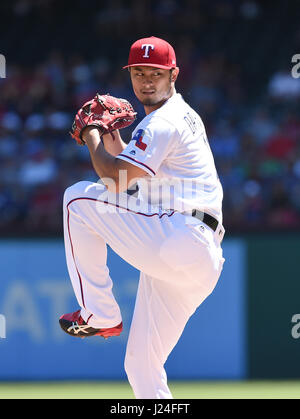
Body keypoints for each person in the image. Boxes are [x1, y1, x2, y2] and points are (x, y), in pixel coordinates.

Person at [59, 36, 225, 399]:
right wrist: (110, 137)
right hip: (195, 256)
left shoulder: (161, 123)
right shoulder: (180, 116)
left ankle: (99, 313)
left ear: (174, 74)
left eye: (156, 72)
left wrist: (91, 133)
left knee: (76, 200)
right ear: (131, 75)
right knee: (141, 365)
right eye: (138, 72)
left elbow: (109, 177)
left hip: (180, 235)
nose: (147, 81)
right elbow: (127, 186)